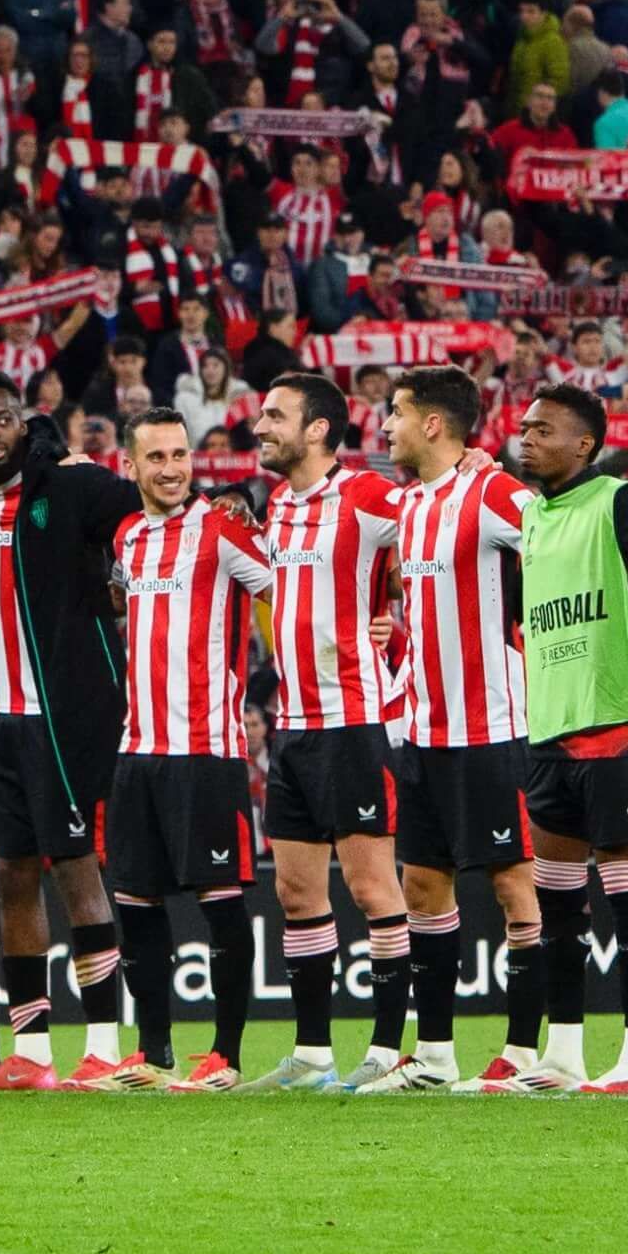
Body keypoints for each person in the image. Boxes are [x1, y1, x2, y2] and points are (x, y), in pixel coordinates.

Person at [0, 371, 143, 1090]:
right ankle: (30, 1056)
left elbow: (149, 509)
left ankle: (105, 1048)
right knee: (14, 881)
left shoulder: (68, 487)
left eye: (3, 420)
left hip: (63, 720)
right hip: (1, 721)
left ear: (24, 424)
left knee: (78, 872)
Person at [372, 367, 555, 1093]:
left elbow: (558, 529)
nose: (385, 427)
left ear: (433, 424)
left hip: (492, 728)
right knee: (421, 886)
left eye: (395, 414)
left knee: (515, 887)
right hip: (423, 730)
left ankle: (523, 1053)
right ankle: (438, 1056)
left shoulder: (490, 491)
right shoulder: (409, 504)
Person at [245, 369, 412, 1092]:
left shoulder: (369, 497)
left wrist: (398, 616)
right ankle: (312, 1054)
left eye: (275, 415)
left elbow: (437, 536)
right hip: (293, 731)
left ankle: (386, 1050)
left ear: (317, 429)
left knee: (375, 891)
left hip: (355, 724)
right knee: (296, 894)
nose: (261, 426)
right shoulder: (276, 505)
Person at [103, 406, 275, 1089]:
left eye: (180, 455)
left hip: (206, 748)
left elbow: (285, 591)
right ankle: (153, 1052)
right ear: (132, 466)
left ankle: (227, 1056)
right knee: (137, 903)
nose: (172, 469)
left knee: (220, 902)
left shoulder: (223, 527)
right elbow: (122, 606)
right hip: (136, 748)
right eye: (157, 458)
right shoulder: (128, 538)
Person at [507, 384, 628, 1093]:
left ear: (584, 444)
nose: (526, 436)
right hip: (548, 728)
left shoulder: (621, 502)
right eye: (524, 426)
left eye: (542, 429)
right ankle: (564, 1051)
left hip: (612, 724)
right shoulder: (532, 516)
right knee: (559, 900)